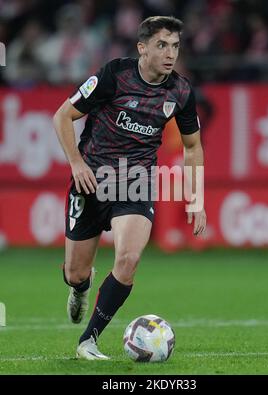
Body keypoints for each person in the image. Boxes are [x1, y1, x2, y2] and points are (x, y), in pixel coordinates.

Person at [53, 15, 206, 360]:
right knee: (75, 272)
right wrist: (76, 162)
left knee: (129, 258)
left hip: (136, 183)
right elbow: (62, 116)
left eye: (176, 46)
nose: (170, 54)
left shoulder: (180, 91)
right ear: (142, 48)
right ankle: (80, 287)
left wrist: (196, 199)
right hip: (91, 180)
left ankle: (88, 340)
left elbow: (193, 146)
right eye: (161, 45)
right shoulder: (114, 75)